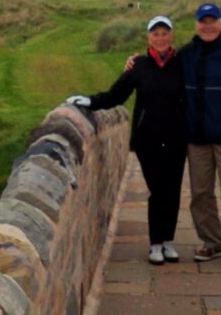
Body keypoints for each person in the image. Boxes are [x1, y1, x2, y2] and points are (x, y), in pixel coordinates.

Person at [124, 2, 221, 270]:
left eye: (213, 20)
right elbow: (157, 62)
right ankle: (211, 242)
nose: (208, 26)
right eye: (203, 21)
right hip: (196, 138)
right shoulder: (185, 55)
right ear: (196, 25)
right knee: (200, 194)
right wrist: (133, 62)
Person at [65, 15, 187, 265]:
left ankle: (167, 241)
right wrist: (91, 101)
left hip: (176, 138)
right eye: (156, 34)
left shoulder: (183, 64)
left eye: (165, 33)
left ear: (172, 36)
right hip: (147, 139)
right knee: (158, 189)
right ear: (148, 38)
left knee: (172, 190)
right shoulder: (139, 65)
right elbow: (116, 95)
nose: (161, 38)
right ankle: (155, 243)